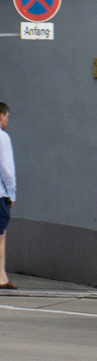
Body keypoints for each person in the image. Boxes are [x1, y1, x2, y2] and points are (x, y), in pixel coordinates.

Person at [0, 103, 15, 289]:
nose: (8, 120)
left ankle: (2, 276)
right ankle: (1, 278)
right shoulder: (2, 137)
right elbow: (6, 169)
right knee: (0, 236)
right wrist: (12, 193)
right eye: (7, 116)